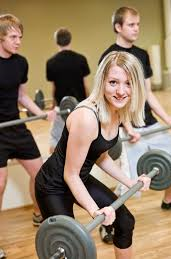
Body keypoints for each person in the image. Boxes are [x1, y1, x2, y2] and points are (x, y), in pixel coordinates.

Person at [35, 51, 151, 259]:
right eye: (113, 82)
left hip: (79, 177)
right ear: (102, 82)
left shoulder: (117, 111)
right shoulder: (87, 117)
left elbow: (101, 156)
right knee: (69, 248)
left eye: (128, 83)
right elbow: (70, 174)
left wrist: (130, 180)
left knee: (125, 221)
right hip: (53, 185)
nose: (121, 91)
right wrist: (94, 211)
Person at [98, 6, 171, 244]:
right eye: (131, 24)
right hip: (127, 129)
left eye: (138, 24)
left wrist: (167, 118)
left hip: (148, 124)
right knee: (128, 184)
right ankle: (108, 221)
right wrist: (126, 127)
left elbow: (148, 93)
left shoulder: (142, 54)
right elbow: (109, 97)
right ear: (118, 27)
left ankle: (168, 201)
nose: (136, 29)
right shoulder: (109, 57)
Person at [0, 13, 56, 234]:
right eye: (13, 37)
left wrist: (41, 114)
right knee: (0, 184)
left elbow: (21, 96)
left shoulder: (21, 63)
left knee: (41, 175)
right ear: (1, 38)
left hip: (16, 127)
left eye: (20, 37)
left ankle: (38, 214)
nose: (18, 41)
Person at [46, 27, 90, 153]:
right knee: (82, 140)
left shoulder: (51, 63)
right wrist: (88, 103)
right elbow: (85, 85)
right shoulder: (81, 59)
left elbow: (54, 88)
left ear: (56, 41)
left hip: (62, 108)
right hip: (80, 106)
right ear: (70, 40)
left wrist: (53, 107)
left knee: (55, 142)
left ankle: (59, 166)